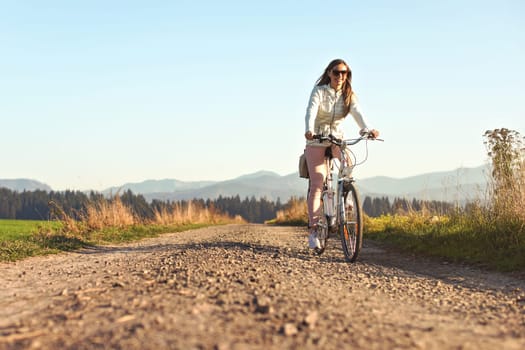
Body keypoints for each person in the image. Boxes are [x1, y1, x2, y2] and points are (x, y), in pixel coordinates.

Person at [304, 58, 379, 249]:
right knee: (317, 183)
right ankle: (314, 230)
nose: (340, 76)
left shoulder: (348, 95)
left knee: (348, 162)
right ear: (329, 73)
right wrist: (309, 129)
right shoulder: (319, 91)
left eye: (344, 73)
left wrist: (367, 129)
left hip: (337, 137)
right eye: (336, 72)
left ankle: (345, 199)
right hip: (317, 138)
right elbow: (310, 111)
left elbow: (357, 113)